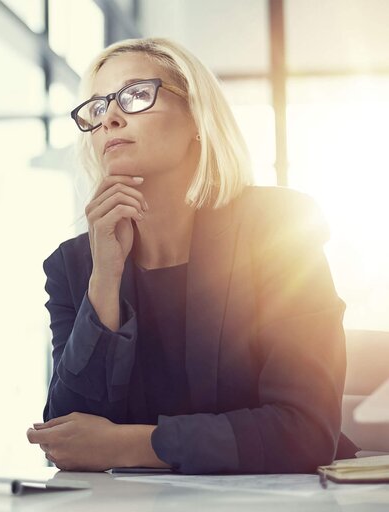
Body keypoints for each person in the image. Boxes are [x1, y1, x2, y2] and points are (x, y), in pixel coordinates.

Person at [26, 37, 357, 474]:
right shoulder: (73, 265)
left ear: (196, 117)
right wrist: (104, 279)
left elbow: (305, 430)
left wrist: (133, 446)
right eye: (98, 106)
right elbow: (69, 435)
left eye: (136, 95)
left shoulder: (278, 226)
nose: (110, 117)